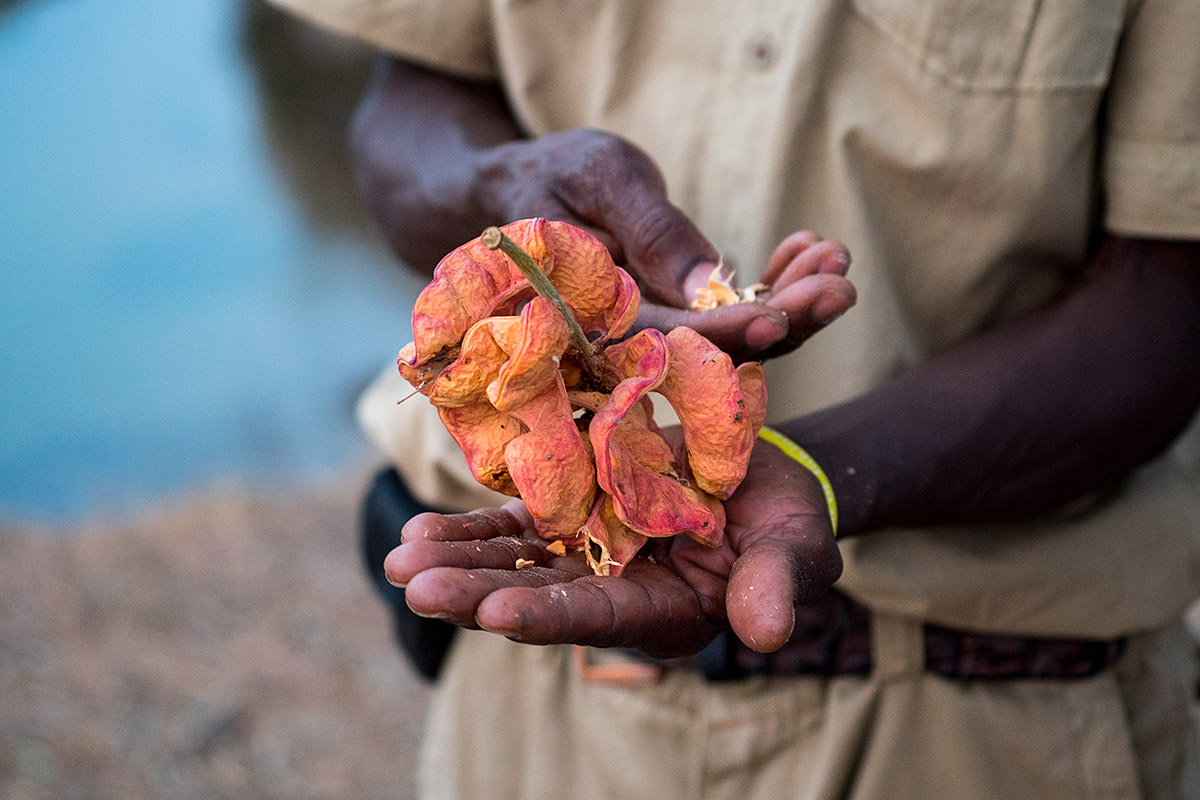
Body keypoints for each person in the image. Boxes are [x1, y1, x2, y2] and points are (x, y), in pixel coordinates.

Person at [272, 2, 1200, 798]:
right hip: (540, 710)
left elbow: (1170, 301)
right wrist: (503, 188)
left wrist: (820, 474)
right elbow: (407, 106)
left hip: (987, 721)